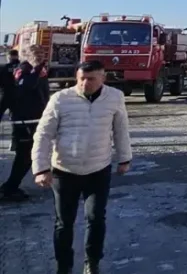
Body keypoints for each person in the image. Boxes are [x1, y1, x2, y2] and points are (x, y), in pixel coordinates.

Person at [32, 60, 132, 274]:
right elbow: (43, 134)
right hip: (64, 171)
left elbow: (121, 129)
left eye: (91, 79)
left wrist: (124, 158)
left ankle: (92, 262)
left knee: (96, 219)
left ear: (102, 78)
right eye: (81, 79)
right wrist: (40, 168)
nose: (85, 83)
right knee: (63, 223)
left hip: (98, 168)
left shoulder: (114, 98)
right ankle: (64, 266)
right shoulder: (60, 99)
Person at [0, 45, 50, 202]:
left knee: (28, 155)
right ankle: (9, 188)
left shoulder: (38, 69)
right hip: (25, 121)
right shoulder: (24, 70)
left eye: (42, 53)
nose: (40, 56)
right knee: (25, 156)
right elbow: (27, 86)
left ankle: (11, 187)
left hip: (35, 119)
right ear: (26, 55)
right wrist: (36, 68)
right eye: (36, 53)